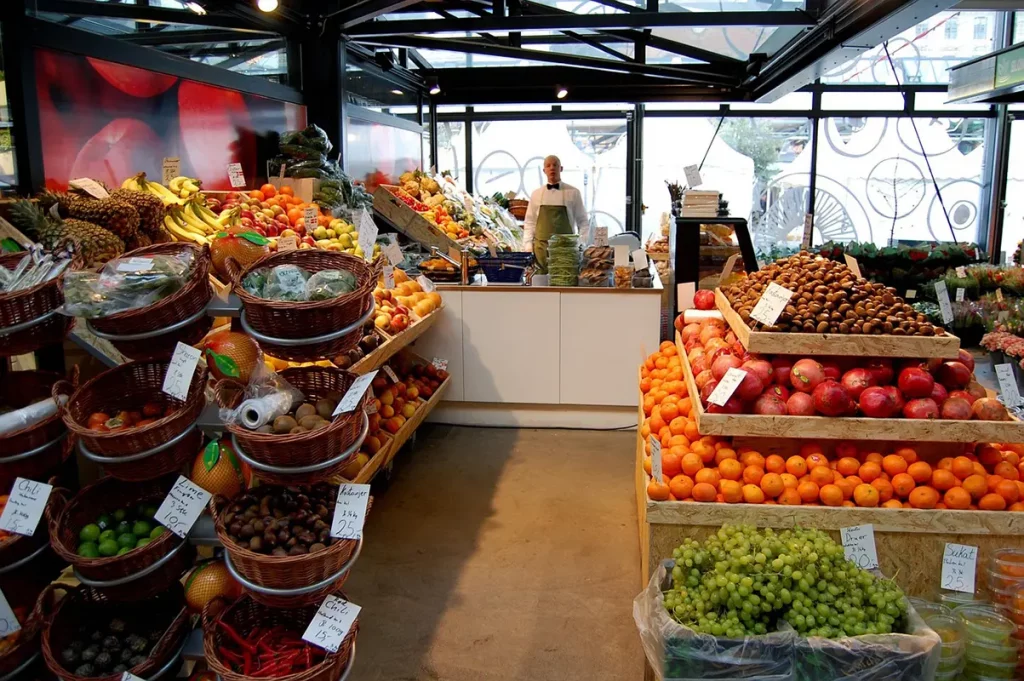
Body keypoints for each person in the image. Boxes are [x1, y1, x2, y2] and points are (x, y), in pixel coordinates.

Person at [523, 155, 589, 274]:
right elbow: (530, 222)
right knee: (541, 282)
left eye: (555, 165)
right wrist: (528, 246)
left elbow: (583, 221)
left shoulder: (573, 192)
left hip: (565, 251)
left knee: (564, 280)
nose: (552, 168)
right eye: (548, 165)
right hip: (541, 251)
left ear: (561, 168)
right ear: (544, 170)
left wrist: (581, 243)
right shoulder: (536, 194)